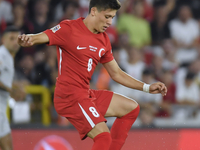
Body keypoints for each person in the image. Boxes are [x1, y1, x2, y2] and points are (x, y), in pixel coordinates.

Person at [17, 0, 167, 150]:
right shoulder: (69, 28)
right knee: (103, 137)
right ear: (94, 11)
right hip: (69, 96)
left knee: (131, 108)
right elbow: (43, 36)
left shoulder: (104, 40)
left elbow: (116, 73)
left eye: (112, 18)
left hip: (85, 94)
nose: (110, 22)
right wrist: (29, 39)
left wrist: (147, 87)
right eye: (107, 16)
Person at [0, 26, 20, 150]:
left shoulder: (8, 56)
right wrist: (12, 91)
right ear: (3, 39)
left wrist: (15, 86)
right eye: (11, 38)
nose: (14, 42)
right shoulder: (2, 55)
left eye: (17, 39)